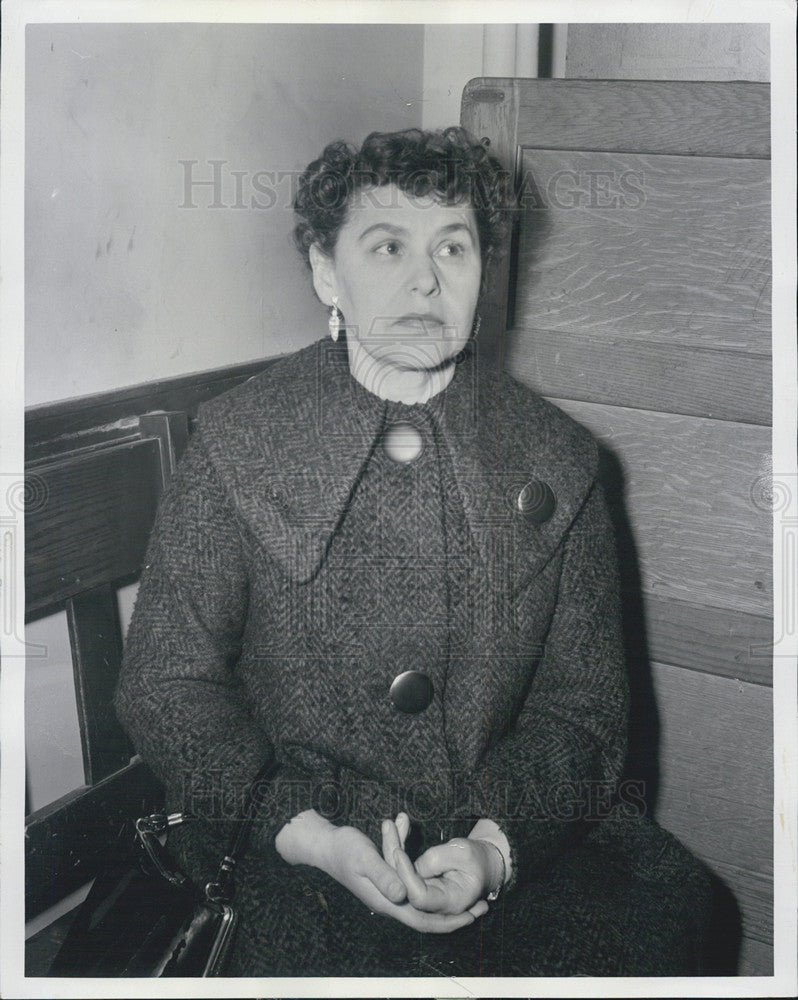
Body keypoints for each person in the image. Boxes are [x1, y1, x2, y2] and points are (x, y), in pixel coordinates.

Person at [115, 127, 713, 976]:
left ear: (482, 275)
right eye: (387, 246)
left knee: (667, 919)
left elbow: (584, 710)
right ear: (328, 272)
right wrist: (307, 835)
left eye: (454, 248)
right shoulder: (238, 441)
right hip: (296, 846)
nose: (425, 279)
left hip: (504, 829)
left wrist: (495, 849)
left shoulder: (562, 461)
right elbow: (166, 685)